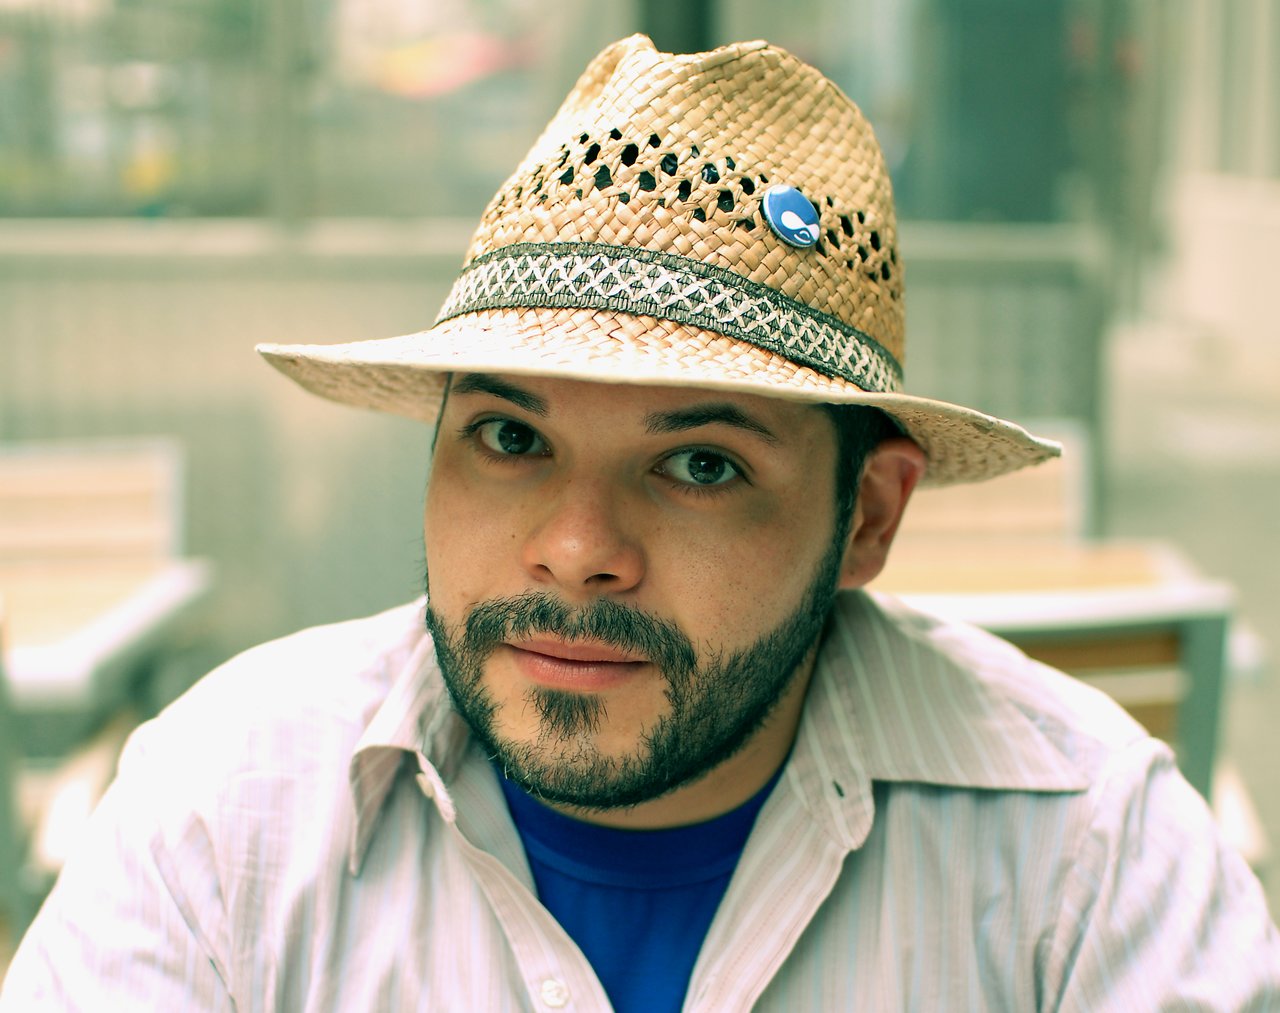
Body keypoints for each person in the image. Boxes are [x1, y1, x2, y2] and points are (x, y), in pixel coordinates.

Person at [4, 34, 1278, 1011]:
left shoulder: (1090, 854)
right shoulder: (224, 813)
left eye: (701, 464)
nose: (574, 547)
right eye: (510, 438)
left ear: (867, 517)